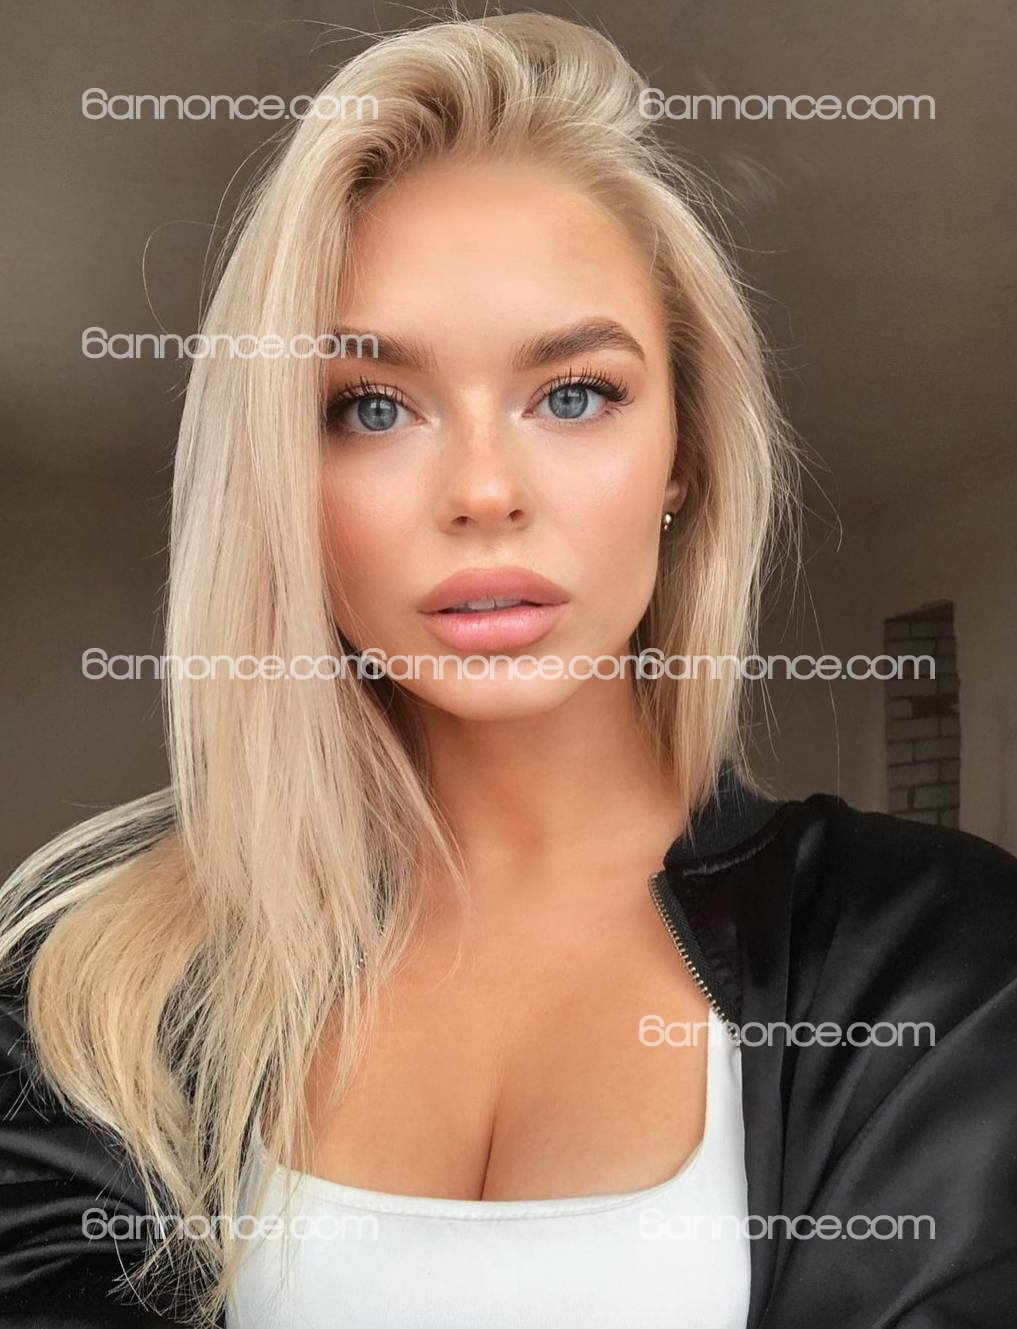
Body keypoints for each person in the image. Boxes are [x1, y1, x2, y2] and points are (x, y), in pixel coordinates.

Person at [1, 13, 1014, 1329]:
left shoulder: (946, 963)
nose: (483, 491)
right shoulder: (91, 991)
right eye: (371, 406)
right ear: (281, 479)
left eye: (573, 393)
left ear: (686, 453)